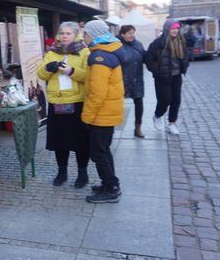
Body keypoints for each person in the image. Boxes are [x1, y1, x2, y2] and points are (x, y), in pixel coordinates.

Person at [37, 21, 91, 189]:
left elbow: (89, 76)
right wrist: (49, 68)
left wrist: (72, 71)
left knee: (80, 142)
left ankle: (83, 173)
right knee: (60, 142)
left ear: (76, 35)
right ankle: (62, 172)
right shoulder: (52, 52)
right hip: (57, 103)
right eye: (62, 33)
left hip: (77, 102)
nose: (64, 36)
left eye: (68, 33)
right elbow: (40, 74)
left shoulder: (84, 52)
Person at [81, 20, 124, 203]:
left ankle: (111, 189)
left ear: (93, 34)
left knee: (98, 153)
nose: (83, 37)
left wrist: (87, 117)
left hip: (101, 114)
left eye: (85, 33)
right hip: (108, 112)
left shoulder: (99, 57)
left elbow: (97, 93)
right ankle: (111, 183)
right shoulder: (108, 51)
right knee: (104, 150)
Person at [145, 19, 189, 135]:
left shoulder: (181, 41)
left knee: (176, 100)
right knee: (165, 100)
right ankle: (157, 115)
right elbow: (149, 59)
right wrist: (156, 72)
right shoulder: (158, 43)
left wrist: (185, 64)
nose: (175, 31)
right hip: (162, 77)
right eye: (173, 28)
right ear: (167, 29)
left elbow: (185, 56)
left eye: (177, 28)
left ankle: (172, 123)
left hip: (176, 75)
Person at [118, 25, 147, 138]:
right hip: (121, 80)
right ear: (123, 34)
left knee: (139, 103)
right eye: (129, 33)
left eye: (133, 33)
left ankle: (138, 128)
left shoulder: (138, 44)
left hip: (137, 79)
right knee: (118, 104)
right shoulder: (117, 46)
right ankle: (113, 125)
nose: (132, 35)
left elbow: (145, 57)